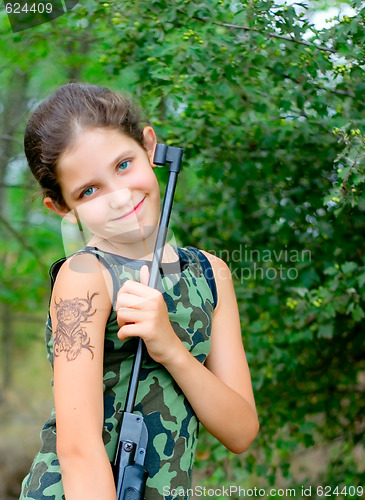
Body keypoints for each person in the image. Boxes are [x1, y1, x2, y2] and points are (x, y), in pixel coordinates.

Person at [19, 82, 259, 500]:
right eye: (88, 191)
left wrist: (170, 348)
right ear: (61, 207)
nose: (118, 197)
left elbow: (241, 430)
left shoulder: (210, 273)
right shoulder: (85, 275)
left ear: (149, 146)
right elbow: (78, 450)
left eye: (124, 164)